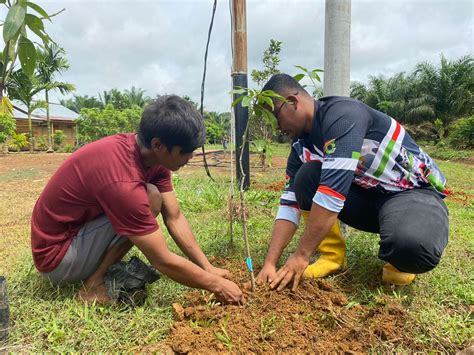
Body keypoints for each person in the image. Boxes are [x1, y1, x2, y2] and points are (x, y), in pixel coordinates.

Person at [31, 95, 245, 305]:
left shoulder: (152, 158)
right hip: (58, 257)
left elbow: (175, 216)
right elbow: (161, 260)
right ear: (158, 144)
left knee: (152, 194)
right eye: (184, 152)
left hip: (80, 232)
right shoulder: (122, 180)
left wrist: (207, 267)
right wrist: (216, 285)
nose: (190, 157)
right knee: (149, 197)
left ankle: (96, 275)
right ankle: (93, 285)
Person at [256, 74, 449, 291]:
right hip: (366, 198)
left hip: (411, 194)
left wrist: (301, 255)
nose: (276, 128)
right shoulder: (300, 148)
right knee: (307, 175)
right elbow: (289, 206)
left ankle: (402, 249)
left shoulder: (343, 115)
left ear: (292, 102)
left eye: (275, 117)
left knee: (412, 246)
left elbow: (331, 195)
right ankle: (332, 256)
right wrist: (270, 263)